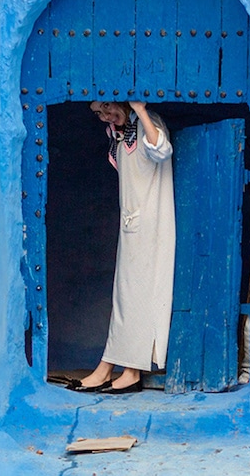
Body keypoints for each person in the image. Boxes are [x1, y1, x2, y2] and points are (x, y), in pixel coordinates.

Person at [68, 100, 175, 394]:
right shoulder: (118, 133)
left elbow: (161, 150)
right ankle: (112, 368)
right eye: (98, 114)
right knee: (126, 298)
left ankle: (125, 371)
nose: (105, 116)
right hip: (132, 224)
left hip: (151, 225)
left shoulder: (146, 122)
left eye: (106, 108)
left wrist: (139, 110)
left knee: (137, 297)